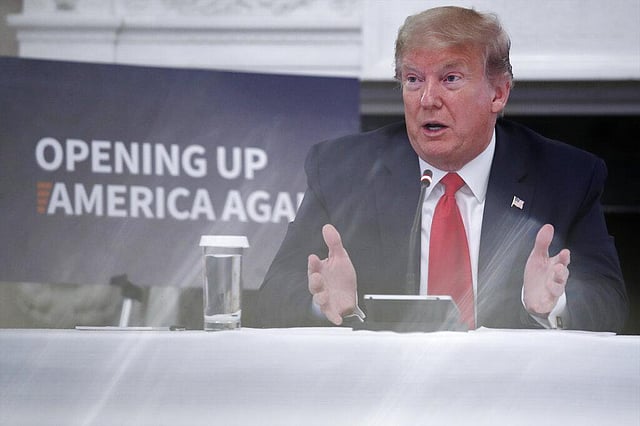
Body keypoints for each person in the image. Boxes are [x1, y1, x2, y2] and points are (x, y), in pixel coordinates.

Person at [255, 6, 628, 331]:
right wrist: (323, 304)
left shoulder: (566, 176)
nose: (427, 99)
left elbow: (610, 302)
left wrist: (554, 304)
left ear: (498, 93)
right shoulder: (342, 170)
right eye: (413, 79)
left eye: (450, 79)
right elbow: (273, 296)